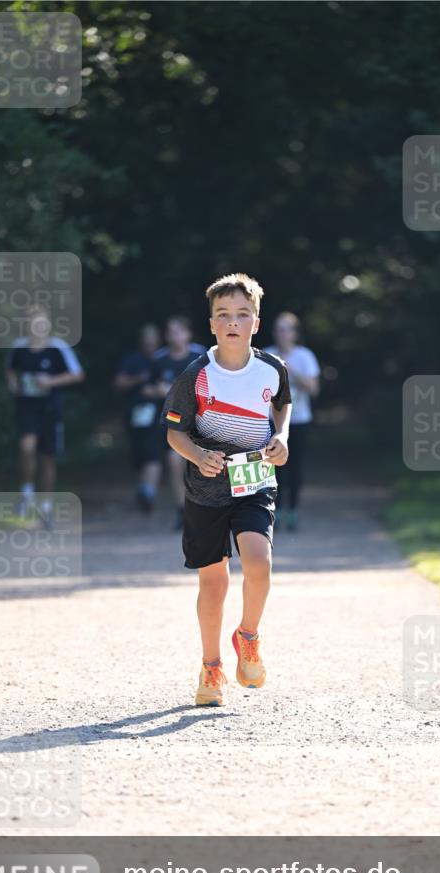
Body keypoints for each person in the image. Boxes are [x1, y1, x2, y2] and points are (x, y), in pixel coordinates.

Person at [161, 273, 291, 707]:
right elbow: (174, 435)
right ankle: (211, 666)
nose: (233, 322)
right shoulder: (196, 375)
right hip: (206, 489)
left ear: (256, 321)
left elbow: (281, 403)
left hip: (254, 481)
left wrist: (282, 436)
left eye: (242, 314)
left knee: (259, 560)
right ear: (211, 323)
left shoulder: (272, 368)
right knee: (213, 583)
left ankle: (248, 635)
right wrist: (198, 455)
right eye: (224, 315)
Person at [5, 303, 84, 528]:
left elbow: (77, 375)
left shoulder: (58, 348)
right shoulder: (18, 348)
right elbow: (10, 371)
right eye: (33, 323)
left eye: (41, 323)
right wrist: (13, 385)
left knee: (47, 457)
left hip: (51, 410)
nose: (37, 327)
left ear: (48, 325)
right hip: (27, 408)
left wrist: (50, 381)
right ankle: (27, 493)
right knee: (26, 447)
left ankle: (46, 506)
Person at [265, 311, 320, 530]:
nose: (282, 333)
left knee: (295, 467)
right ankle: (275, 510)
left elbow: (314, 389)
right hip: (271, 420)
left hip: (299, 420)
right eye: (278, 329)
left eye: (286, 329)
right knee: (273, 467)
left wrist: (291, 372)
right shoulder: (266, 355)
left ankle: (293, 510)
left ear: (295, 333)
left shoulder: (305, 356)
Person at [151, 316, 205, 530]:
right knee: (174, 462)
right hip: (176, 424)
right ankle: (181, 511)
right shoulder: (159, 359)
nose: (175, 336)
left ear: (187, 334)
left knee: (204, 465)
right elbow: (146, 388)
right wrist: (159, 392)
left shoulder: (201, 356)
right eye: (170, 332)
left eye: (178, 331)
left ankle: (204, 509)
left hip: (203, 422)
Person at [113, 323, 164, 512]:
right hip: (135, 414)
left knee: (153, 453)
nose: (150, 346)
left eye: (153, 342)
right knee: (141, 454)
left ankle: (148, 492)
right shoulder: (132, 360)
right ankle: (144, 488)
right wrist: (139, 380)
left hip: (158, 415)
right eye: (146, 342)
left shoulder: (162, 359)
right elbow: (119, 382)